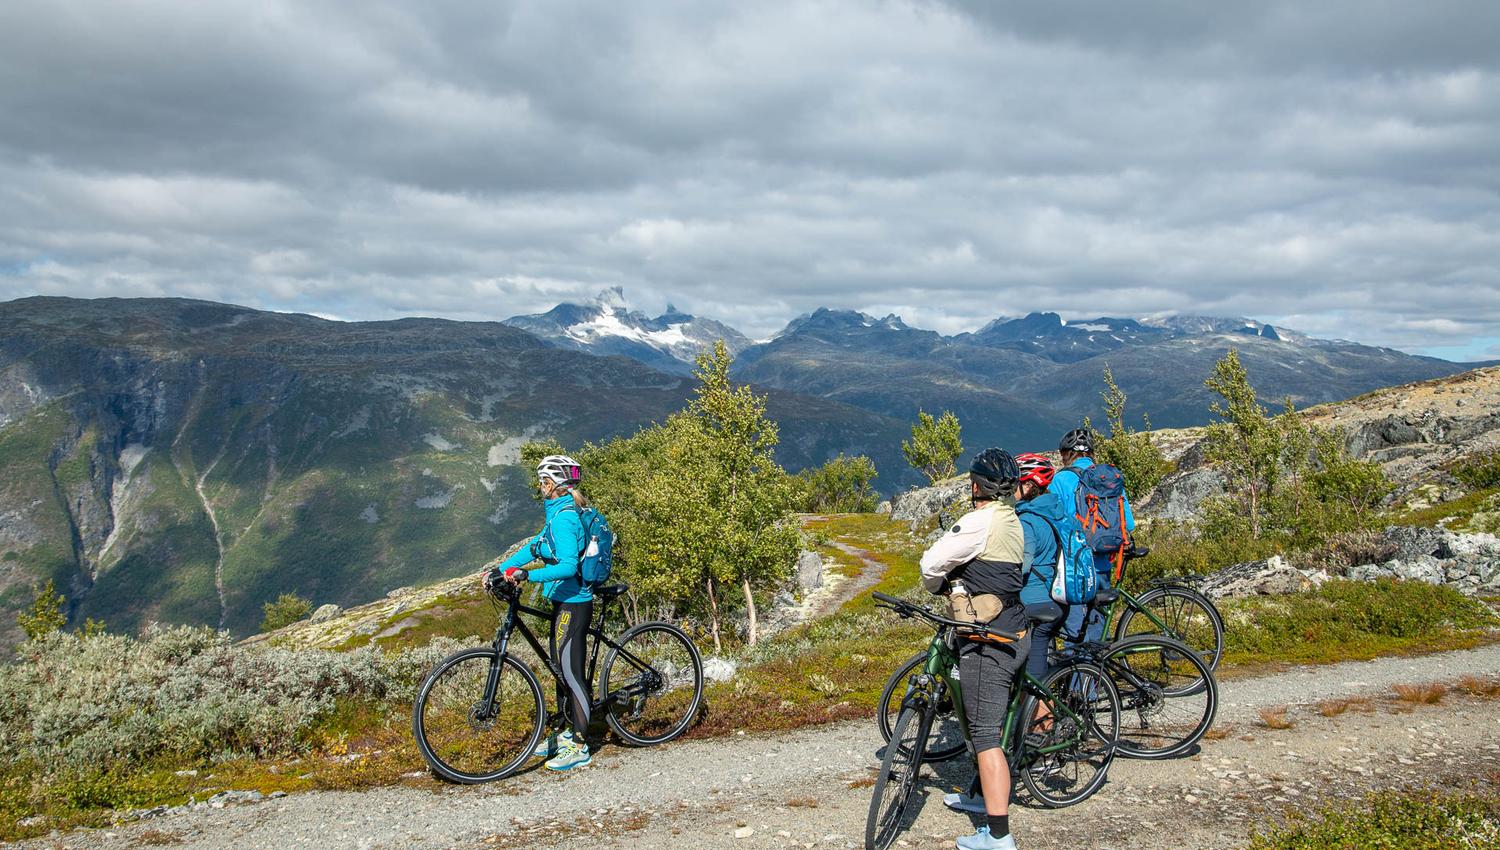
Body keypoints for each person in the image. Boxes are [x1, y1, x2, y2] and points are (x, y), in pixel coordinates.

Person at [943, 452, 1064, 821]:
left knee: (1028, 692)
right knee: (1022, 690)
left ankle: (1043, 757)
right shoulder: (1046, 512)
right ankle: (992, 781)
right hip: (1039, 606)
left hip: (1026, 610)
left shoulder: (1028, 521)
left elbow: (1018, 568)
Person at [919, 448, 1030, 850]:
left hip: (989, 641)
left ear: (974, 486)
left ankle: (998, 836)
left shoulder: (978, 522)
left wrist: (941, 586)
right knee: (991, 723)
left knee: (984, 735)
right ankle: (979, 796)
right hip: (1017, 630)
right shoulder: (1011, 520)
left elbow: (930, 564)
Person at [482, 454, 595, 772]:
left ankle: (580, 745)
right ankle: (565, 733)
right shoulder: (556, 513)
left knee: (571, 673)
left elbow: (569, 566)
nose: (540, 486)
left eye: (544, 481)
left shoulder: (565, 518)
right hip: (562, 601)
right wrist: (501, 569)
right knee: (560, 668)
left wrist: (526, 575)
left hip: (575, 603)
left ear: (558, 484)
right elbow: (534, 547)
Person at [1048, 428, 1135, 645]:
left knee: (1075, 633)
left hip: (1074, 567)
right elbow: (1129, 524)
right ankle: (1098, 677)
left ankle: (1076, 677)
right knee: (1097, 628)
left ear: (1066, 454)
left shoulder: (1060, 480)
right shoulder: (1109, 478)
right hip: (1103, 562)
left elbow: (1053, 525)